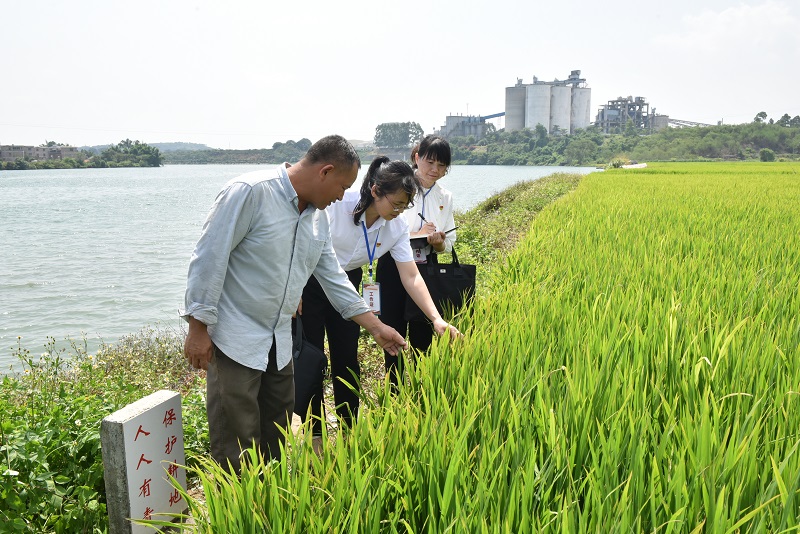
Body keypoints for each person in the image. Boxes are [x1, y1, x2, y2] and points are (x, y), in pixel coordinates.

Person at [181, 135, 407, 474]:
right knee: (236, 443)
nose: (342, 197)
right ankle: (237, 512)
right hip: (235, 340)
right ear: (325, 171)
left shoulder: (317, 219)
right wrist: (197, 328)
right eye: (342, 187)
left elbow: (334, 279)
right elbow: (208, 259)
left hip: (280, 341)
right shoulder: (250, 192)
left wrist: (376, 328)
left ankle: (270, 505)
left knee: (277, 432)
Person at [296, 156, 460, 442]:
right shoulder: (337, 205)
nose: (399, 212)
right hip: (308, 283)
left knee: (347, 358)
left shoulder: (394, 227)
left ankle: (349, 431)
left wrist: (436, 318)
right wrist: (294, 287)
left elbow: (411, 276)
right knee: (313, 359)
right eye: (395, 204)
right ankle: (316, 436)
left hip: (348, 283)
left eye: (405, 206)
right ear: (374, 190)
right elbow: (298, 241)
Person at [376, 135, 456, 385]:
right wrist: (415, 234)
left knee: (424, 331)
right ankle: (395, 389)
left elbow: (450, 240)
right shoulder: (398, 185)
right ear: (416, 157)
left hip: (426, 268)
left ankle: (423, 388)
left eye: (442, 165)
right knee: (393, 329)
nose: (435, 170)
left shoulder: (445, 196)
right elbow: (380, 228)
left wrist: (440, 242)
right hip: (393, 266)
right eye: (430, 162)